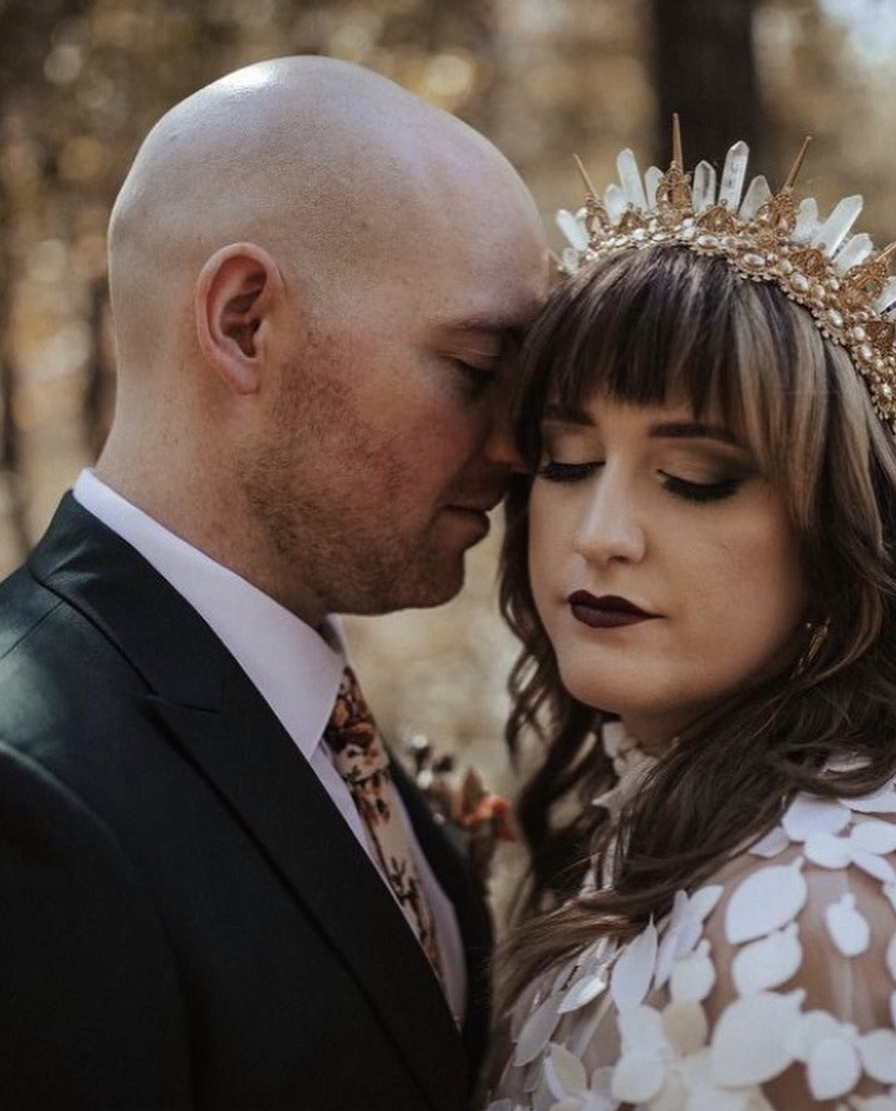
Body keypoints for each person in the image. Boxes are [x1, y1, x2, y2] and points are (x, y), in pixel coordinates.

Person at [486, 130, 896, 1110]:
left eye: (695, 477)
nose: (600, 533)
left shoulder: (830, 925)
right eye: (566, 461)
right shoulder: (681, 814)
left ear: (840, 540)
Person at [0, 56, 545, 1110]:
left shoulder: (330, 734)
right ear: (245, 320)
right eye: (477, 370)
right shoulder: (29, 792)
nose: (516, 446)